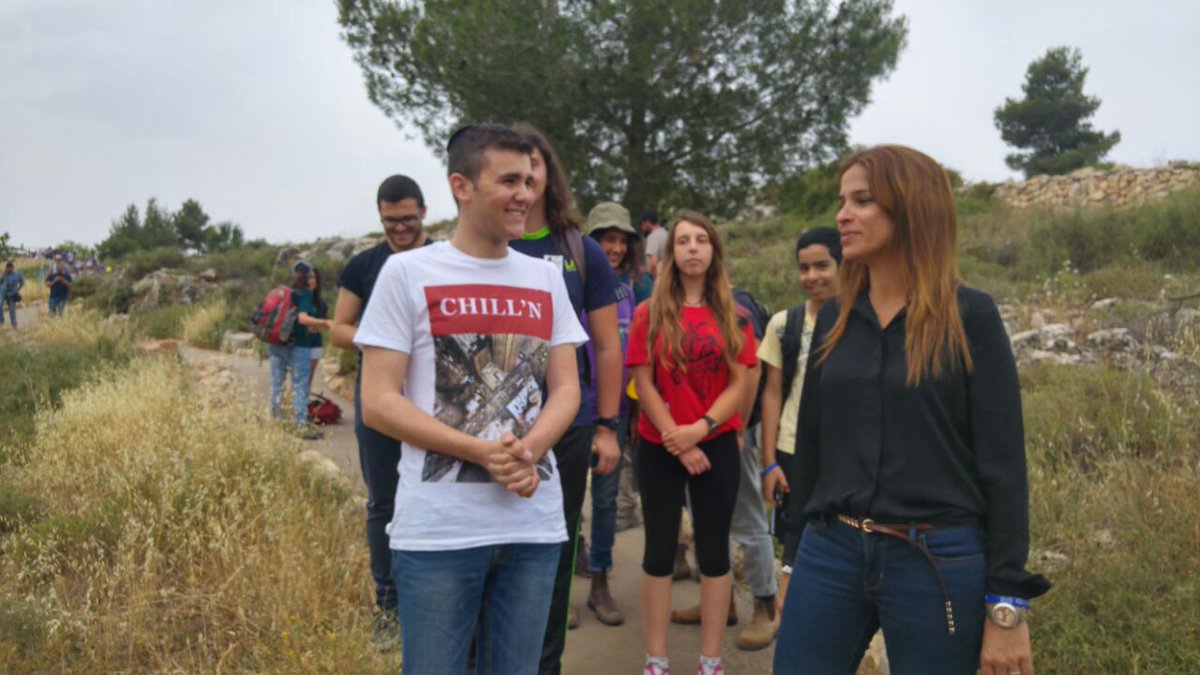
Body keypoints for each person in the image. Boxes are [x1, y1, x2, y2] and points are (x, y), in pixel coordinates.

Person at [773, 145, 1051, 675]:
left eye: (862, 201)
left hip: (937, 561)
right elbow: (811, 449)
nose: (842, 215)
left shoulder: (970, 316)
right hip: (830, 552)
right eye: (842, 201)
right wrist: (792, 561)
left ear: (911, 208)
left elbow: (1003, 467)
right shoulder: (834, 316)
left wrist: (1007, 602)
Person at [355, 123, 587, 674]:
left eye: (528, 181)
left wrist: (527, 451)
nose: (525, 194)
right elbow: (378, 402)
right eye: (508, 181)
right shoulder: (406, 273)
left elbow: (566, 388)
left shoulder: (545, 278)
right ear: (461, 186)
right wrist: (481, 452)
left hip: (532, 526)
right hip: (438, 534)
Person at [508, 123, 622, 672]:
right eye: (513, 170)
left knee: (555, 552)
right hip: (490, 432)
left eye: (534, 165)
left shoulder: (581, 250)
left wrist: (607, 426)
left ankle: (544, 663)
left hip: (569, 427)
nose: (525, 178)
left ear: (549, 174)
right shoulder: (488, 243)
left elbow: (606, 345)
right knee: (494, 554)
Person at [627, 210, 757, 675]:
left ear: (714, 251)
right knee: (658, 550)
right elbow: (643, 383)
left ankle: (710, 660)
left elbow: (740, 383)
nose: (693, 248)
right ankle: (656, 658)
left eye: (701, 240)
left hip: (714, 440)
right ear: (670, 253)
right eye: (683, 241)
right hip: (658, 443)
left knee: (714, 551)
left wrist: (700, 430)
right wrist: (679, 441)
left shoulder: (735, 315)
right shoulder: (648, 314)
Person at [331, 174, 432, 647]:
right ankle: (388, 606)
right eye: (391, 221)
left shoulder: (443, 259)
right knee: (384, 501)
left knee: (435, 493)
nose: (400, 228)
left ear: (424, 212)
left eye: (408, 219)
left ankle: (433, 599)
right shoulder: (363, 266)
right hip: (377, 394)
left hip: (435, 396)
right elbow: (339, 328)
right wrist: (391, 343)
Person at [756, 226, 842, 615]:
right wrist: (769, 462)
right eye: (804, 268)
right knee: (793, 540)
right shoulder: (783, 325)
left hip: (841, 455)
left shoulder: (862, 321)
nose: (812, 276)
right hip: (792, 451)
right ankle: (791, 617)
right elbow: (772, 393)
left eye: (822, 266)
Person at [581, 201, 642, 627]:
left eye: (621, 241)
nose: (615, 248)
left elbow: (634, 354)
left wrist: (634, 412)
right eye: (607, 240)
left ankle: (600, 581)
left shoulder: (630, 291)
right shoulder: (571, 284)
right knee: (565, 501)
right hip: (571, 410)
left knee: (605, 500)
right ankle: (559, 585)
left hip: (615, 411)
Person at [268, 261, 322, 437]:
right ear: (307, 277)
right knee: (300, 383)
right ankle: (300, 424)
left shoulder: (284, 292)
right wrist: (326, 323)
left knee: (277, 382)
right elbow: (303, 318)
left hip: (276, 343)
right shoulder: (304, 294)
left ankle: (275, 419)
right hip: (299, 345)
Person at [303, 267, 332, 391]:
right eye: (309, 277)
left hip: (315, 342)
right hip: (300, 343)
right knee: (299, 376)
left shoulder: (321, 303)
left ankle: (304, 399)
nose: (311, 280)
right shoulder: (298, 298)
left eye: (314, 277)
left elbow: (324, 322)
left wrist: (319, 326)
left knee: (309, 376)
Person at [640, 209, 668, 279]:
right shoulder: (665, 233)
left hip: (661, 277)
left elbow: (653, 264)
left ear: (647, 222)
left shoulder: (653, 236)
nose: (642, 227)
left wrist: (651, 279)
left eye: (642, 223)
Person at [2, 261, 24, 328]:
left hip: (12, 295)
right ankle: (1, 322)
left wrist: (18, 289)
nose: (8, 270)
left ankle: (14, 325)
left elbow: (22, 282)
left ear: (12, 268)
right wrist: (3, 274)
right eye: (7, 268)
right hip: (4, 294)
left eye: (10, 268)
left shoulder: (17, 274)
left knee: (12, 310)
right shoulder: (4, 274)